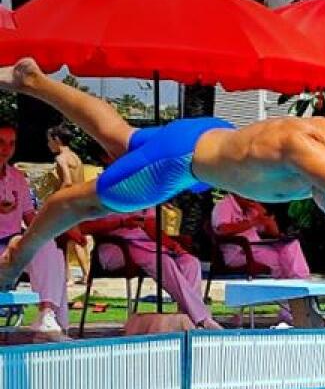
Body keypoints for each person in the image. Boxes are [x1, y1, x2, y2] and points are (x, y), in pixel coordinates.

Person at [0, 58, 325, 293]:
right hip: (179, 165)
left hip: (211, 134)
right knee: (71, 203)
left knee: (121, 138)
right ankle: (12, 261)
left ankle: (34, 80)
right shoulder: (305, 152)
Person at [81, 208, 219, 329]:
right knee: (162, 261)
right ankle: (202, 318)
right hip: (116, 248)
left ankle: (188, 318)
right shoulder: (105, 193)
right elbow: (85, 227)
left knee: (190, 262)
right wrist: (121, 223)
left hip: (146, 245)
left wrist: (174, 246)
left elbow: (151, 227)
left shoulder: (146, 193)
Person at [0, 123, 68, 334]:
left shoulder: (18, 178)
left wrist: (57, 227)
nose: (6, 149)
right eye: (0, 143)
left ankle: (47, 315)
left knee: (48, 245)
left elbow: (30, 217)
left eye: (11, 143)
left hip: (11, 247)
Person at [211, 193, 311, 278]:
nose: (253, 196)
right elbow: (222, 230)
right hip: (239, 253)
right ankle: (292, 294)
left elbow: (274, 233)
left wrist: (264, 214)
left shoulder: (250, 207)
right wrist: (253, 222)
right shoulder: (224, 205)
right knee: (282, 260)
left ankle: (302, 282)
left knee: (292, 245)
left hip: (257, 248)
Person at [47, 123, 89, 284]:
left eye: (49, 140)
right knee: (75, 239)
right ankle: (80, 275)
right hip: (80, 202)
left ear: (56, 139)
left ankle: (72, 276)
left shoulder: (60, 158)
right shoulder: (75, 157)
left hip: (67, 204)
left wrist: (55, 199)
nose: (48, 144)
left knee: (65, 240)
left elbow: (68, 181)